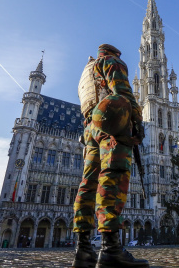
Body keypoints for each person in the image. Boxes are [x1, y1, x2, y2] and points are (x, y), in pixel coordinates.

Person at [72, 44, 148, 268]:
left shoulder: (86, 73)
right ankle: (110, 249)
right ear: (114, 53)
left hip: (90, 130)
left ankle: (83, 250)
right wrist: (136, 124)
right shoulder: (111, 61)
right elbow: (124, 94)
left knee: (88, 184)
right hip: (111, 124)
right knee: (113, 177)